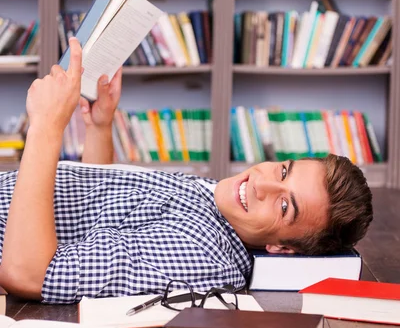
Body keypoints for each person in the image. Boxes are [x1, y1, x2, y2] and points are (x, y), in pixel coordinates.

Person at [0, 39, 373, 304]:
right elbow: (99, 215)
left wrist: (47, 127)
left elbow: (29, 273)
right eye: (283, 171)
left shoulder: (203, 254)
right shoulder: (226, 203)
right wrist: (100, 127)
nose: (260, 183)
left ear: (282, 249)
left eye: (284, 207)